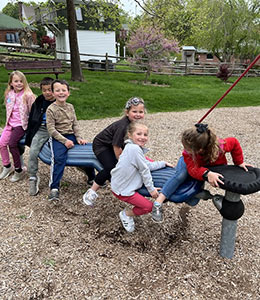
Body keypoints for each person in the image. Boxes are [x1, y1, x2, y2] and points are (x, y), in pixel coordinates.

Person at [152, 123, 250, 222]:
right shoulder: (187, 154)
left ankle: (198, 193)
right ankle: (158, 202)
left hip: (202, 165)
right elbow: (192, 170)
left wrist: (239, 162)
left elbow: (234, 142)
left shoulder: (220, 146)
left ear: (200, 150)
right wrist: (207, 173)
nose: (184, 150)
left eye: (187, 148)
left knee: (193, 201)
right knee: (180, 176)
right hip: (189, 163)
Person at [83, 97, 146, 206]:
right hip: (102, 146)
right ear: (127, 112)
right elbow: (116, 146)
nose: (137, 114)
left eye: (140, 112)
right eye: (134, 111)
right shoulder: (123, 126)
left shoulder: (134, 125)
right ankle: (92, 191)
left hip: (113, 145)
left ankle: (124, 184)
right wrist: (121, 161)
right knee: (112, 168)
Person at [111, 122, 173, 232]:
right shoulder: (134, 149)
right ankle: (126, 214)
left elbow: (146, 165)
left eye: (145, 135)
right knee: (148, 207)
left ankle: (127, 213)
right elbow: (145, 170)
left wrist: (163, 163)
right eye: (139, 134)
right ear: (129, 135)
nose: (142, 137)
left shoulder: (131, 147)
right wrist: (151, 189)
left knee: (148, 161)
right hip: (123, 189)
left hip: (120, 183)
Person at [46, 79, 94, 201]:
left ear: (68, 93)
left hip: (71, 135)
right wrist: (64, 141)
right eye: (57, 90)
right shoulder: (51, 109)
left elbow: (75, 124)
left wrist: (79, 138)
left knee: (86, 153)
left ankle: (91, 178)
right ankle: (54, 188)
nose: (61, 93)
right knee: (59, 158)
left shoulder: (70, 107)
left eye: (64, 90)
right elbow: (51, 129)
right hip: (58, 137)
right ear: (52, 93)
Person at [0, 71, 35, 182]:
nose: (19, 83)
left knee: (12, 144)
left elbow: (34, 111)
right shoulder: (9, 94)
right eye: (16, 81)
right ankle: (7, 166)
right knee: (1, 143)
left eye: (21, 81)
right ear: (11, 83)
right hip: (10, 124)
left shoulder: (28, 95)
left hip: (21, 125)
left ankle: (19, 170)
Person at [25, 77, 55, 196]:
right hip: (42, 129)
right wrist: (30, 134)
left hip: (57, 129)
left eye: (50, 90)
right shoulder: (39, 101)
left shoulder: (59, 100)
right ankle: (33, 176)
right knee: (33, 151)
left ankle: (87, 170)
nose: (47, 92)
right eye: (44, 90)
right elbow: (33, 117)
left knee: (69, 149)